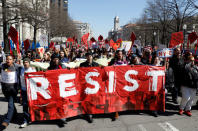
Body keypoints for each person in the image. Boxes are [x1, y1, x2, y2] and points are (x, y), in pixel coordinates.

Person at [0, 55, 22, 130]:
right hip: (5, 89)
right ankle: (14, 115)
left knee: (10, 103)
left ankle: (6, 121)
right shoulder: (3, 66)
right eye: (7, 59)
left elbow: (25, 68)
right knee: (11, 103)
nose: (8, 60)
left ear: (13, 60)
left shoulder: (17, 67)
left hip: (13, 89)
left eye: (10, 59)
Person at [80, 52, 99, 123]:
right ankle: (89, 114)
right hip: (86, 86)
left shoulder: (96, 64)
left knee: (94, 99)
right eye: (87, 56)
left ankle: (94, 112)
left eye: (90, 56)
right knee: (87, 100)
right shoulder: (82, 65)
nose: (89, 57)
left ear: (92, 57)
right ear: (86, 57)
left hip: (95, 86)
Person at [109, 50, 128, 120]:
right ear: (117, 55)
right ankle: (115, 112)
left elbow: (128, 69)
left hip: (123, 82)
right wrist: (112, 66)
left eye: (121, 54)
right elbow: (108, 68)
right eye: (118, 54)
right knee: (116, 96)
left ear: (122, 55)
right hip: (116, 81)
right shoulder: (113, 61)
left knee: (121, 96)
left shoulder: (125, 62)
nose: (120, 55)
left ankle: (121, 108)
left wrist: (131, 66)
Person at [19, 58, 36, 128]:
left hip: (31, 90)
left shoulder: (33, 69)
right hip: (24, 90)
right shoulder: (21, 69)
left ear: (29, 63)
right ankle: (25, 120)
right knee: (25, 105)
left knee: (32, 105)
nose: (25, 63)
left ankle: (33, 118)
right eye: (24, 62)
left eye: (27, 62)